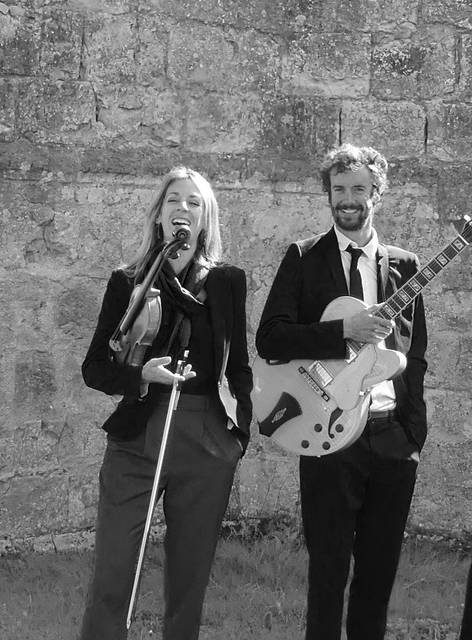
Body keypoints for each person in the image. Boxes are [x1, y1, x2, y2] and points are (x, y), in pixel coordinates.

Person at [255, 143, 428, 640]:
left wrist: (413, 433)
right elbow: (270, 338)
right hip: (329, 435)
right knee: (328, 573)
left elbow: (415, 357)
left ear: (378, 192)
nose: (347, 199)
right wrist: (343, 330)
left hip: (392, 439)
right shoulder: (305, 257)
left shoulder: (405, 265)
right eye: (338, 189)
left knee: (378, 576)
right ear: (327, 194)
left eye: (358, 188)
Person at [78, 167, 253, 640]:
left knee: (189, 577)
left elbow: (239, 367)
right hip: (139, 434)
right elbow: (95, 367)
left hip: (207, 440)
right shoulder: (128, 282)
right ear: (159, 216)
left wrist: (238, 435)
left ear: (206, 219)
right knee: (115, 571)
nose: (183, 209)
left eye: (194, 203)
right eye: (174, 200)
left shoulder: (228, 283)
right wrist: (140, 375)